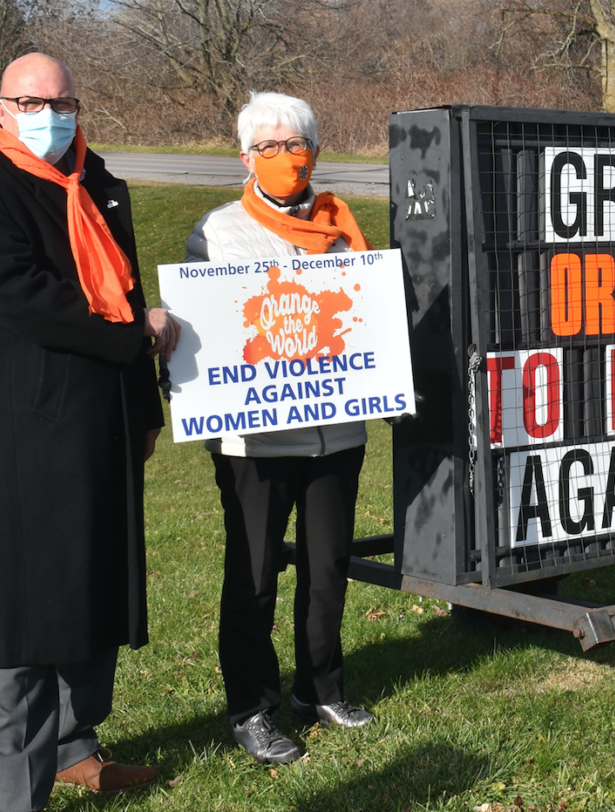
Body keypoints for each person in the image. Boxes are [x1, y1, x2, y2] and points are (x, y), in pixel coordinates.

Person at [0, 53, 178, 812]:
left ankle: (76, 744)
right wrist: (134, 333)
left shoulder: (94, 179)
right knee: (28, 594)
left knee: (95, 574)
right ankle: (12, 787)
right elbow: (20, 296)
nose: (51, 113)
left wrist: (143, 410)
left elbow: (126, 279)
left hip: (98, 416)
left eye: (64, 100)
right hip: (14, 421)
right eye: (32, 100)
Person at [184, 92, 377, 766]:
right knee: (255, 575)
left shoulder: (346, 228)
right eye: (267, 146)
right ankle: (252, 708)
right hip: (255, 442)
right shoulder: (218, 231)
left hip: (337, 432)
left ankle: (319, 687)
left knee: (327, 569)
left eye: (295, 144)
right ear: (244, 157)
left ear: (316, 151)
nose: (283, 157)